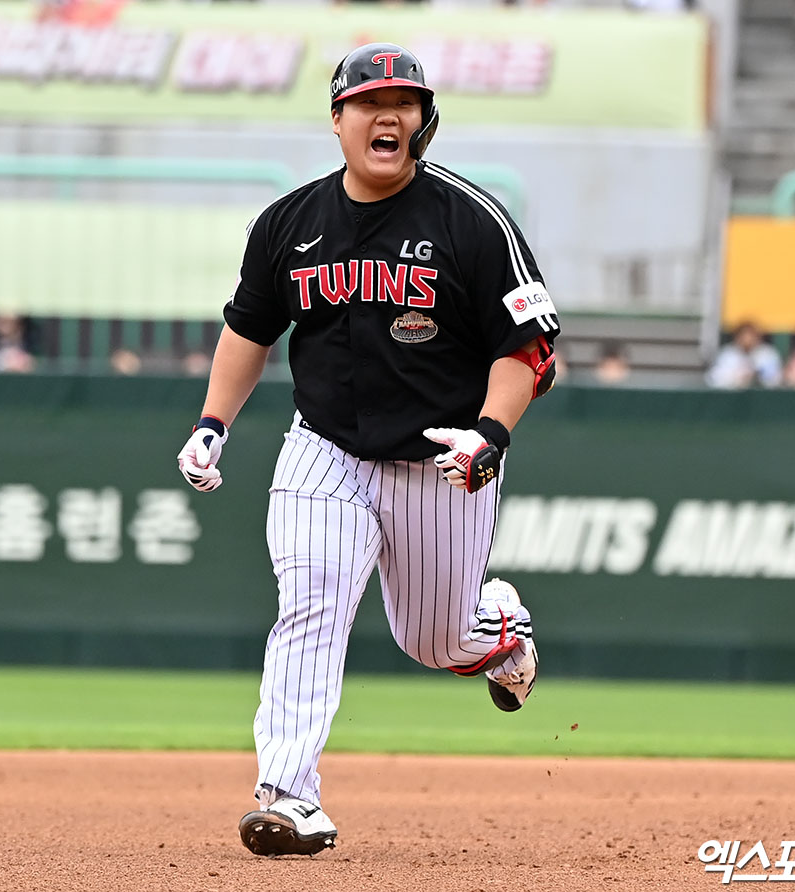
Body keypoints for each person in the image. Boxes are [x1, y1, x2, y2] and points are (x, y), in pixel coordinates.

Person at [175, 42, 559, 859]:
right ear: (339, 118)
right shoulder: (289, 223)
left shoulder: (471, 220)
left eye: (407, 102)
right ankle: (288, 793)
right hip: (325, 448)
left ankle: (503, 631)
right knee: (310, 602)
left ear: (424, 121)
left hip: (442, 457)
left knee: (436, 640)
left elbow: (529, 348)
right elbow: (249, 327)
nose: (390, 114)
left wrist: (491, 435)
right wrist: (213, 423)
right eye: (371, 101)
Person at [706, 320, 782, 389]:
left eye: (751, 335)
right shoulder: (728, 354)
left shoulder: (766, 353)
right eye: (744, 335)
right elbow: (714, 379)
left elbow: (775, 379)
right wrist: (737, 378)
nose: (747, 339)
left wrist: (756, 376)